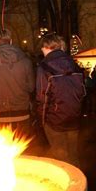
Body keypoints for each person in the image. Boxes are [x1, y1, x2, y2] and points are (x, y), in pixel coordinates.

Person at [36, 33, 85, 167]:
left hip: (55, 120)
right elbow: (82, 92)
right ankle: (79, 183)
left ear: (47, 47)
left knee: (60, 157)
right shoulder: (75, 65)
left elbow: (42, 97)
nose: (41, 50)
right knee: (73, 155)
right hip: (74, 118)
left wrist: (42, 121)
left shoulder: (44, 67)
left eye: (42, 47)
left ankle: (67, 185)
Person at [0, 27, 35, 136]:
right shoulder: (25, 60)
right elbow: (31, 87)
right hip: (22, 112)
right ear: (10, 41)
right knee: (23, 149)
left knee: (3, 151)